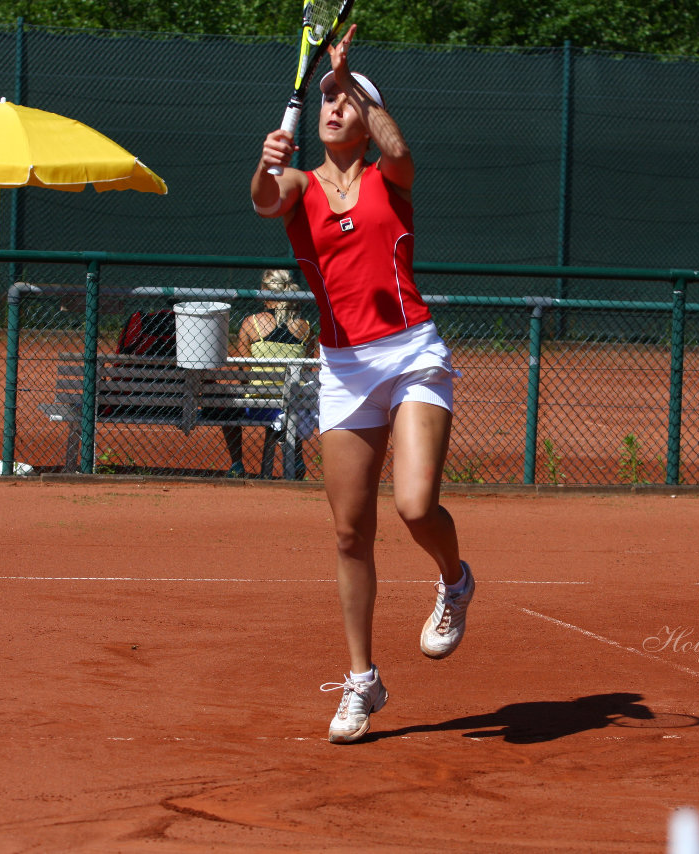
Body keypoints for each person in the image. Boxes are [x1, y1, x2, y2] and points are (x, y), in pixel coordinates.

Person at [251, 24, 475, 744]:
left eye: (344, 100)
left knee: (413, 506)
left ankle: (455, 579)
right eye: (325, 99)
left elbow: (404, 152)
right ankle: (362, 681)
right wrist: (265, 163)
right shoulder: (299, 184)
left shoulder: (388, 178)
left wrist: (356, 80)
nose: (332, 105)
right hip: (343, 367)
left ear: (366, 113)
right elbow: (262, 200)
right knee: (351, 532)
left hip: (411, 353)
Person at [220, 268, 316, 479]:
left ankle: (237, 464)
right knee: (292, 396)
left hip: (257, 407)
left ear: (266, 291)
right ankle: (296, 458)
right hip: (291, 408)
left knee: (227, 401)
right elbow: (307, 371)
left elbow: (244, 373)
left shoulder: (250, 323)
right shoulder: (305, 327)